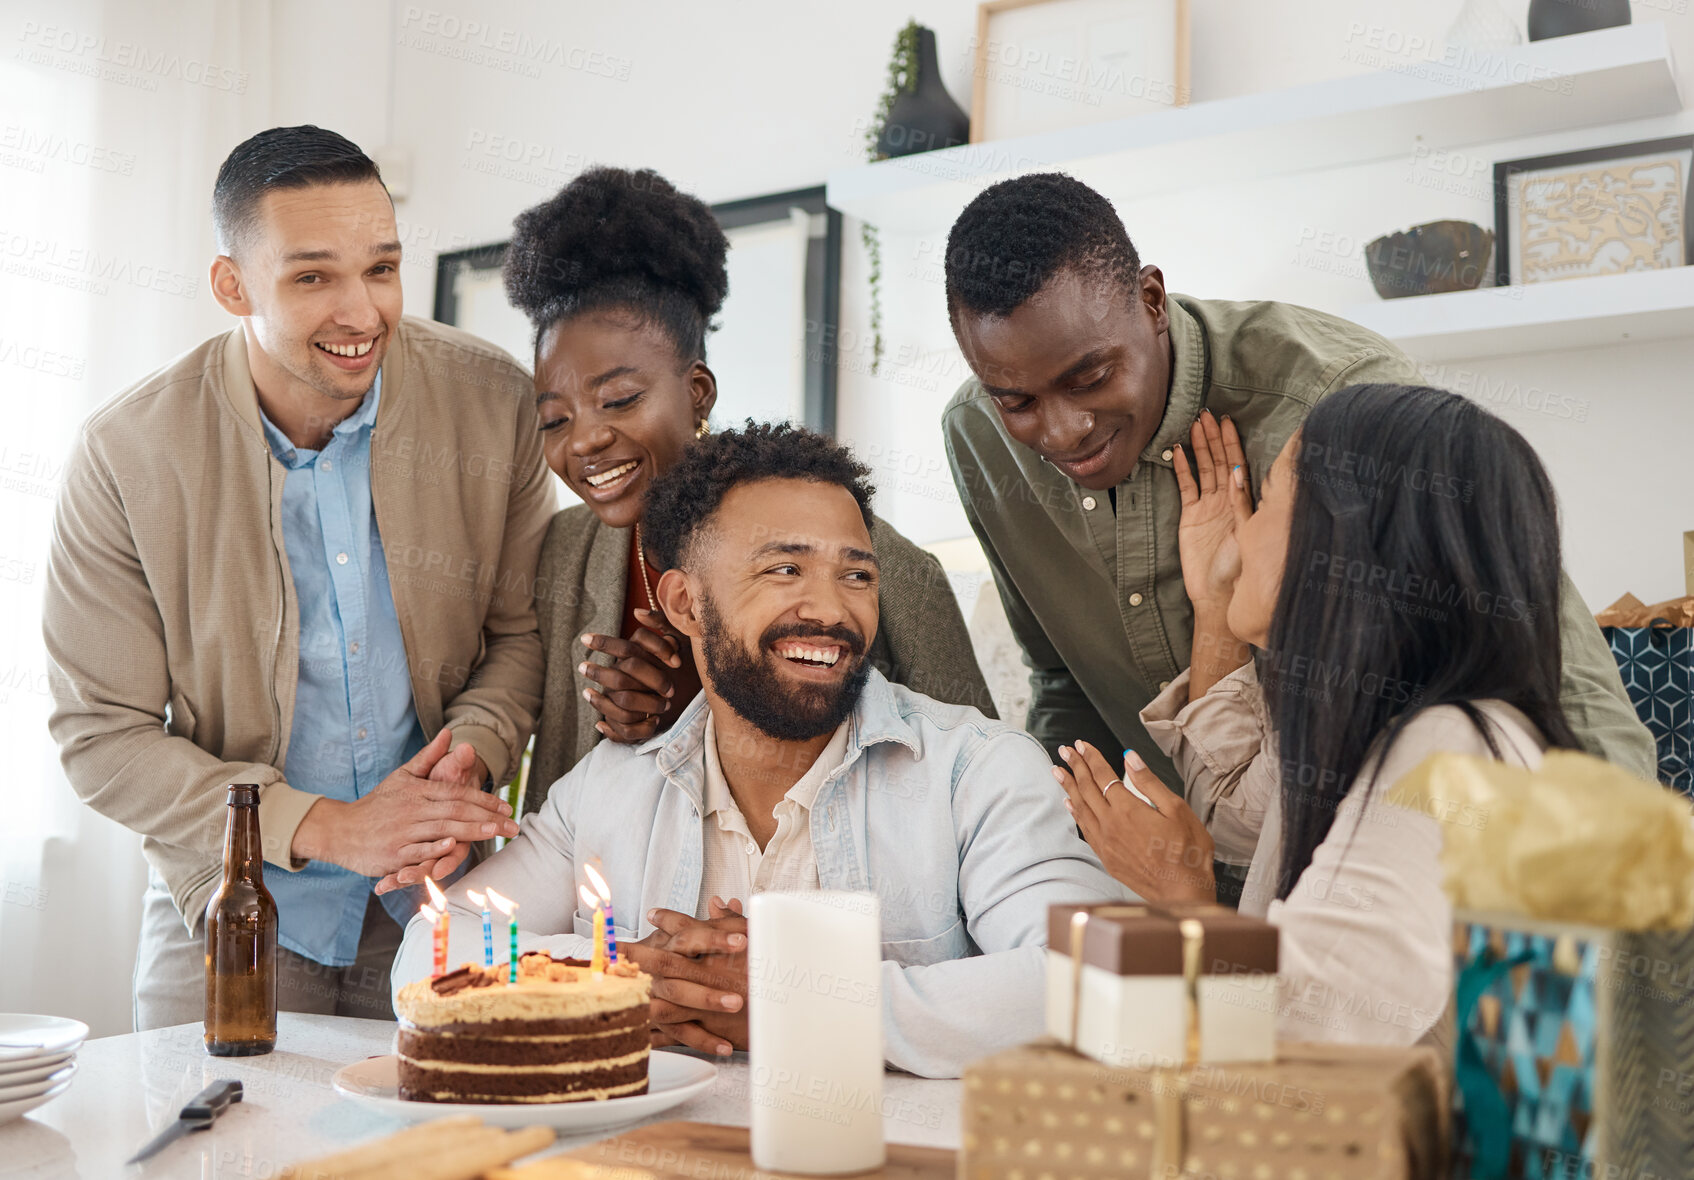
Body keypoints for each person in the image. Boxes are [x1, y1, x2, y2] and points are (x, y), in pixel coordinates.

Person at [390, 423, 1124, 1077]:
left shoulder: (979, 771)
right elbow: (425, 955)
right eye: (784, 570)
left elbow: (1092, 982)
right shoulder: (605, 791)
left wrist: (794, 1000)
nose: (832, 609)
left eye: (857, 575)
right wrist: (621, 981)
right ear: (684, 604)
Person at [43, 126, 551, 1029]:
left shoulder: (494, 401)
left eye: (382, 269)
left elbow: (519, 635)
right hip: (231, 914)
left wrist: (469, 753)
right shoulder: (128, 455)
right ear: (232, 286)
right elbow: (101, 737)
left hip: (444, 912)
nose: (362, 313)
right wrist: (329, 828)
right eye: (313, 277)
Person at [942, 172, 1655, 796]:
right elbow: (1063, 688)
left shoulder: (1338, 405)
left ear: (1152, 300)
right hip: (1171, 890)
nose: (1062, 431)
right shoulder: (976, 437)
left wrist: (1606, 905)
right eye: (1018, 402)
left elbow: (1550, 675)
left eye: (1091, 378)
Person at [1055, 384, 1576, 1047]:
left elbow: (1302, 1037)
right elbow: (1242, 819)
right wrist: (1219, 605)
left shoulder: (1449, 753)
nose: (1244, 529)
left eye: (1269, 498)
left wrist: (1179, 898)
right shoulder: (1402, 724)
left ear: (1349, 539)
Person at [503, 166, 995, 814]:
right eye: (555, 420)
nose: (585, 440)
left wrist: (708, 705)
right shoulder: (564, 553)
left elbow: (979, 779)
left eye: (618, 399)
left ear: (698, 392)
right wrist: (626, 734)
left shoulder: (878, 563)